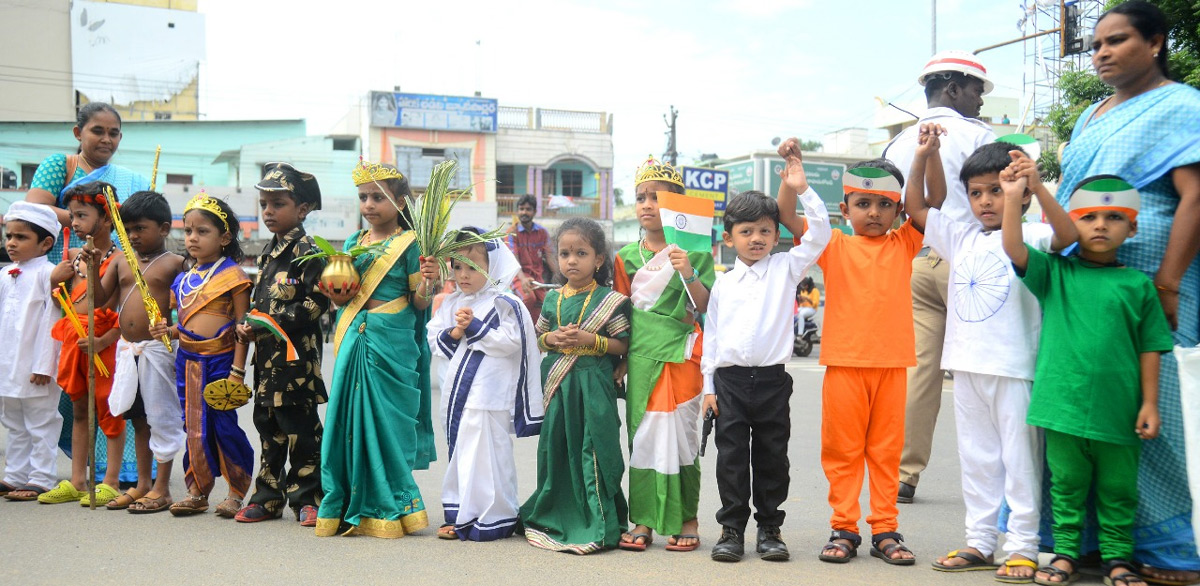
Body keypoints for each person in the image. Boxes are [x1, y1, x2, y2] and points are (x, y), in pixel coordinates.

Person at [1056, 3, 1200, 582]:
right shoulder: (1091, 113)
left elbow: (1195, 196)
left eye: (1117, 41)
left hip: (1153, 274)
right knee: (1088, 397)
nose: (1102, 53)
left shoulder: (1183, 106)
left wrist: (1167, 280)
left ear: (1157, 42)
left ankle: (1171, 548)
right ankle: (1092, 538)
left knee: (1154, 401)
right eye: (1096, 46)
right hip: (1085, 281)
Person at [904, 136, 1073, 581]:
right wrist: (923, 156)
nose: (984, 202)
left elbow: (1069, 235)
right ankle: (980, 541)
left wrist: (1037, 188)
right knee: (977, 459)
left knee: (1020, 461)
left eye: (995, 190)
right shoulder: (961, 238)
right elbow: (916, 207)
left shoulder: (1034, 234)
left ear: (1020, 190)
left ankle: (1022, 547)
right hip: (965, 366)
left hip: (1015, 369)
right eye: (975, 193)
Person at [1003, 173, 1172, 586]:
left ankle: (1118, 559)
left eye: (1113, 217)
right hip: (1061, 407)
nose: (1100, 225)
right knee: (1067, 487)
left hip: (1120, 413)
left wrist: (1150, 403)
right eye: (1089, 216)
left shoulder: (1138, 286)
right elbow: (1012, 247)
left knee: (1118, 490)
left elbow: (1150, 346)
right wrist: (1015, 197)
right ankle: (1064, 555)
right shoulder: (1055, 273)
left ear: (1132, 228)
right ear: (1070, 222)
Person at [780, 149, 924, 565]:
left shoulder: (904, 241)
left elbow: (920, 206)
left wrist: (923, 157)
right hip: (844, 365)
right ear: (844, 210)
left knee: (886, 452)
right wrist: (791, 180)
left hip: (892, 366)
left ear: (898, 211)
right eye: (863, 203)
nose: (874, 212)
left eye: (884, 205)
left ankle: (886, 530)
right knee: (842, 451)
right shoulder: (833, 243)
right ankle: (844, 527)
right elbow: (789, 218)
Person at [703, 149, 832, 564]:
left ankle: (770, 529)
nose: (756, 238)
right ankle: (731, 530)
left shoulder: (787, 268)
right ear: (729, 238)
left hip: (773, 381)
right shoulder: (723, 284)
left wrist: (803, 189)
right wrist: (708, 388)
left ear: (777, 237)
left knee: (773, 458)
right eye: (746, 231)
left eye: (764, 231)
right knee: (732, 460)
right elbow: (713, 337)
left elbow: (821, 234)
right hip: (730, 383)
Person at [884, 50, 998, 504]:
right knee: (986, 372)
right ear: (952, 86)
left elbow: (892, 211)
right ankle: (1001, 476)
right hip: (973, 264)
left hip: (917, 261)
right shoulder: (980, 135)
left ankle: (905, 474)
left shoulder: (897, 143)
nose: (980, 101)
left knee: (919, 374)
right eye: (976, 91)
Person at [315, 160, 437, 538]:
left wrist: (430, 282)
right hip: (353, 336)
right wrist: (333, 291)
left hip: (391, 340)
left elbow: (419, 303)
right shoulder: (353, 243)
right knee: (347, 421)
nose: (369, 205)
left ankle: (391, 506)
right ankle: (346, 500)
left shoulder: (411, 243)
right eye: (363, 197)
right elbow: (343, 298)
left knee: (387, 423)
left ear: (400, 203)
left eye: (378, 197)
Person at [613, 158, 715, 553]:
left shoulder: (697, 252)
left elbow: (706, 307)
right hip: (640, 358)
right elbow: (620, 313)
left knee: (683, 442)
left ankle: (687, 518)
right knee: (643, 439)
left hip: (681, 356)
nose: (647, 204)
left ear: (677, 206)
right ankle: (643, 520)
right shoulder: (625, 256)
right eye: (641, 197)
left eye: (657, 197)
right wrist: (619, 359)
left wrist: (688, 270)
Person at [520, 218, 631, 554]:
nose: (571, 260)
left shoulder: (609, 300)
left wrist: (591, 340)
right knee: (558, 448)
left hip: (594, 384)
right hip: (559, 387)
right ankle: (556, 513)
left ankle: (599, 522)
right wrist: (553, 337)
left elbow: (623, 345)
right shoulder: (552, 300)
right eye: (564, 253)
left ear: (598, 259)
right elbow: (538, 339)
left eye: (581, 253)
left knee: (594, 449)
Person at [428, 228, 543, 542]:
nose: (464, 275)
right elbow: (433, 337)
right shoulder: (451, 301)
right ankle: (464, 513)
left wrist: (475, 327)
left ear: (493, 265)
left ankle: (494, 517)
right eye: (458, 266)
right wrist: (455, 332)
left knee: (489, 456)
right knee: (464, 453)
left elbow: (511, 341)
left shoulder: (506, 303)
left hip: (489, 395)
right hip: (458, 395)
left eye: (473, 267)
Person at [234, 163, 329, 525]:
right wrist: (250, 326)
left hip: (297, 365)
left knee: (302, 432)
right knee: (268, 428)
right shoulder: (267, 252)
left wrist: (269, 323)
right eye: (264, 204)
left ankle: (308, 498)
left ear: (302, 209)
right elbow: (261, 304)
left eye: (278, 204)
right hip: (267, 363)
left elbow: (317, 302)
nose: (269, 212)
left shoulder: (309, 249)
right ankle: (267, 497)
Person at [150, 193, 254, 518]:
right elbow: (185, 325)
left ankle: (236, 491)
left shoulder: (234, 277)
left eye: (202, 231)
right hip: (187, 361)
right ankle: (197, 490)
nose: (192, 238)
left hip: (222, 361)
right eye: (188, 231)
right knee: (193, 426)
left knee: (223, 425)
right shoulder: (183, 280)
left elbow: (242, 327)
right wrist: (167, 331)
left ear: (224, 238)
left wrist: (238, 371)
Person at [89, 191, 185, 513]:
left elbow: (185, 308)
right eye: (127, 229)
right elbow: (99, 300)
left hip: (158, 351)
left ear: (164, 228)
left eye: (140, 228)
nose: (133, 235)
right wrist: (92, 268)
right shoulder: (121, 260)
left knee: (161, 418)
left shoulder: (175, 263)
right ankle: (143, 484)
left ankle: (162, 487)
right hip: (128, 351)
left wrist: (173, 331)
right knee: (139, 419)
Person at [40, 182, 126, 506]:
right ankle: (77, 480)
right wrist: (54, 280)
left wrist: (104, 339)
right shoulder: (74, 256)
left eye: (81, 215)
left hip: (104, 342)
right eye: (72, 215)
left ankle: (111, 480)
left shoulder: (119, 259)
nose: (73, 222)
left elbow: (124, 312)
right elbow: (56, 298)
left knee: (110, 409)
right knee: (78, 410)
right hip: (75, 340)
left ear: (107, 218)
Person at [25, 102, 150, 264]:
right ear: (78, 133)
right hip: (65, 269)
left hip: (115, 271)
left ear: (120, 137)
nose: (106, 139)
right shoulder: (61, 165)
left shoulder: (132, 180)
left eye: (113, 134)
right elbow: (33, 210)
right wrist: (89, 220)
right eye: (97, 131)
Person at [0, 202, 64, 503]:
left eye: (20, 237)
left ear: (46, 243)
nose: (11, 243)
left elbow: (54, 321)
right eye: (8, 236)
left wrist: (45, 365)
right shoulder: (5, 274)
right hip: (8, 363)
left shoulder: (48, 274)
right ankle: (14, 475)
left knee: (41, 421)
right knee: (12, 421)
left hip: (37, 365)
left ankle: (41, 477)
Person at [506, 194, 557, 322]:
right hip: (518, 276)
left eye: (528, 209)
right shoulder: (511, 233)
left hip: (537, 279)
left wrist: (562, 278)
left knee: (548, 304)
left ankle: (535, 336)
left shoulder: (542, 232)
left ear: (534, 211)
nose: (524, 212)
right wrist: (522, 278)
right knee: (529, 298)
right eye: (521, 209)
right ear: (517, 211)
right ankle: (516, 328)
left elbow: (550, 257)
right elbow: (513, 259)